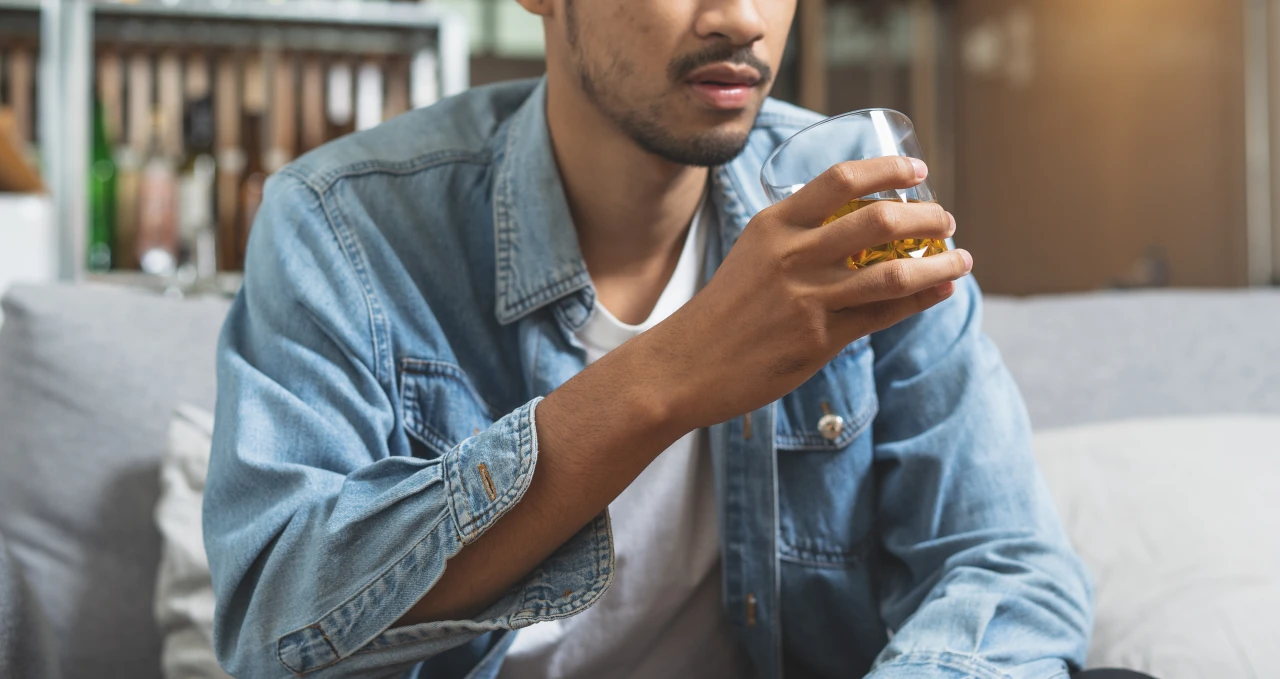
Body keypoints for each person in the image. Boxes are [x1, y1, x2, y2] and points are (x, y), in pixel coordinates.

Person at [203, 1, 1138, 678]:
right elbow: (273, 630)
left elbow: (1003, 564)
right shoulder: (345, 224)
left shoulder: (851, 202)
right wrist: (668, 376)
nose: (742, 19)